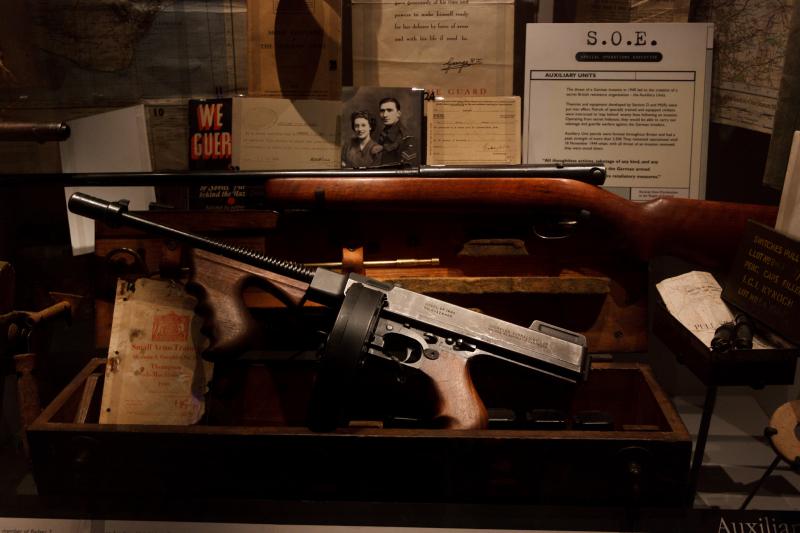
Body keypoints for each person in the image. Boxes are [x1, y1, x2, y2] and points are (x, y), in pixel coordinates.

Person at [376, 97, 417, 166]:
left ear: (398, 114)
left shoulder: (406, 137)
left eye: (389, 110)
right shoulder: (384, 132)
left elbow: (407, 168)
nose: (385, 115)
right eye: (382, 111)